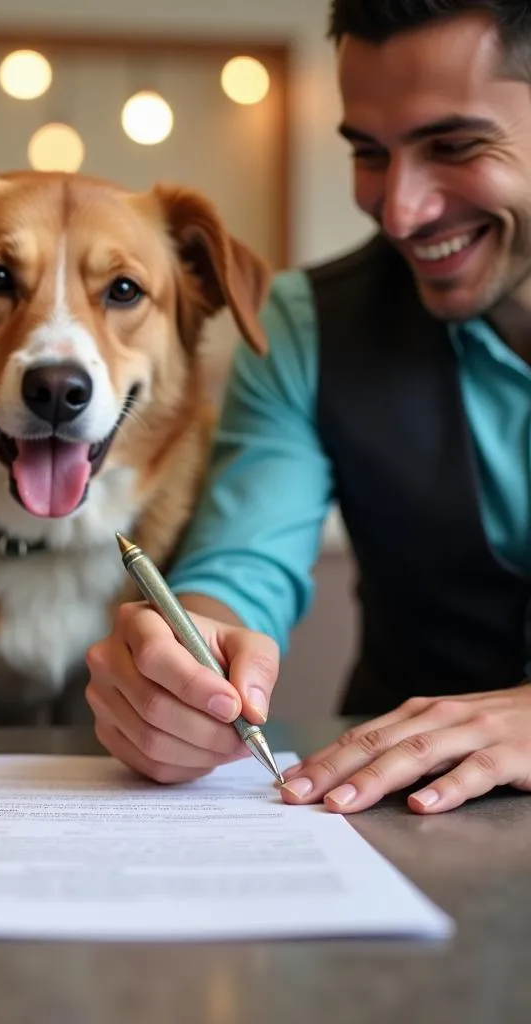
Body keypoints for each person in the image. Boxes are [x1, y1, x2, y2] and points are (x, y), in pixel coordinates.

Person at [86, 0, 531, 816]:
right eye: (370, 153)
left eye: (455, 146)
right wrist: (189, 660)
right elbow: (244, 565)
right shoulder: (300, 324)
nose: (401, 211)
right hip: (403, 826)